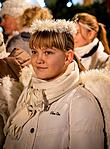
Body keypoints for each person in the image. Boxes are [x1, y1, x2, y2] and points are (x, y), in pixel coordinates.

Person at [3, 19, 104, 149]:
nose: (38, 60)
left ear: (68, 57)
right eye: (34, 52)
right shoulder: (29, 93)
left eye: (48, 52)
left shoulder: (81, 102)